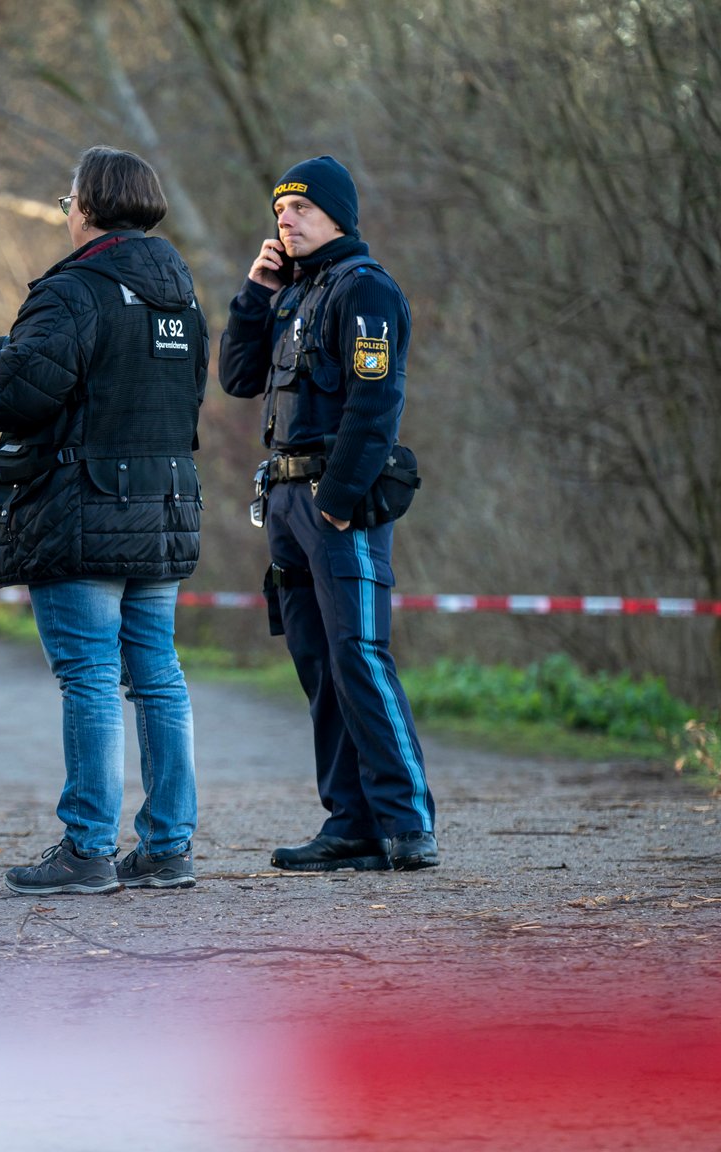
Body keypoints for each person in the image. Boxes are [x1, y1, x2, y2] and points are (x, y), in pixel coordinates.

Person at [0, 148, 209, 895]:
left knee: (90, 678)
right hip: (166, 509)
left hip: (87, 511)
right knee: (158, 678)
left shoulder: (75, 291)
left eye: (70, 198)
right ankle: (168, 847)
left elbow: (17, 394)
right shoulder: (183, 293)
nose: (66, 210)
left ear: (91, 205)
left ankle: (88, 850)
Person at [218, 155, 438, 872]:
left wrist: (338, 504)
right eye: (279, 210)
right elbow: (239, 377)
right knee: (318, 665)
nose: (285, 219)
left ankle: (407, 824)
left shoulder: (364, 290)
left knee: (360, 658)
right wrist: (256, 292)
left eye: (301, 209)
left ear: (337, 215)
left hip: (335, 505)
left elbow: (377, 405)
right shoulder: (292, 293)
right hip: (284, 505)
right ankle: (350, 823)